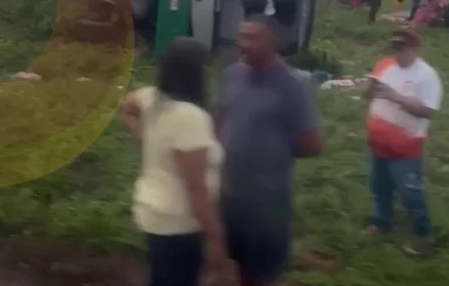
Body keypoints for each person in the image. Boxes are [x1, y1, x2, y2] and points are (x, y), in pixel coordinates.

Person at [216, 14, 324, 286]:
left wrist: (269, 151)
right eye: (241, 36)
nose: (242, 44)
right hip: (230, 194)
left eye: (251, 38)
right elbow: (221, 117)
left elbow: (312, 144)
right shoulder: (233, 74)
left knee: (264, 273)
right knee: (237, 263)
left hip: (267, 202)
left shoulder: (292, 86)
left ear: (272, 41)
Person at [118, 37, 230, 286]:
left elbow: (125, 106)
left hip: (156, 215)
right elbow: (196, 189)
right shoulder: (190, 118)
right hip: (180, 224)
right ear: (196, 72)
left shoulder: (153, 99)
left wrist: (144, 136)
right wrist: (216, 239)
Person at [363, 27, 441, 256]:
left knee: (410, 193)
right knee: (379, 186)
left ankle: (422, 235)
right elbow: (368, 96)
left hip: (405, 148)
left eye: (402, 48)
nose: (396, 52)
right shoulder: (384, 65)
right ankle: (381, 222)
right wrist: (369, 90)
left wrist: (395, 97)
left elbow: (428, 112)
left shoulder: (426, 76)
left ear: (415, 49)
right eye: (394, 47)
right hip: (377, 142)